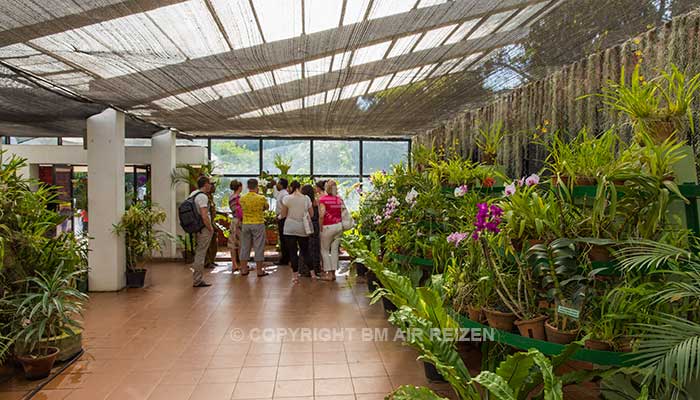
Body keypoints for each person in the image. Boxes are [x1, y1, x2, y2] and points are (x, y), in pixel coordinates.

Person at [280, 181, 313, 284]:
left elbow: (283, 214)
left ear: (291, 187)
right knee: (305, 251)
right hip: (302, 228)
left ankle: (295, 277)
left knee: (293, 252)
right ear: (300, 187)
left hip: (289, 228)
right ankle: (313, 273)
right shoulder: (306, 198)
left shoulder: (287, 199)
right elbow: (311, 214)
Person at [239, 178, 269, 277]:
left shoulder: (242, 198)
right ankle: (259, 271)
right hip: (258, 223)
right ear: (257, 186)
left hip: (246, 223)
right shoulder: (261, 198)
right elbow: (266, 207)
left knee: (245, 246)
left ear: (247, 187)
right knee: (259, 246)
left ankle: (243, 269)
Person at [319, 180, 345, 282]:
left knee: (324, 250)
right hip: (338, 226)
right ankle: (334, 273)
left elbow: (322, 215)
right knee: (334, 250)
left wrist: (320, 227)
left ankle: (329, 274)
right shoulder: (339, 199)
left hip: (328, 227)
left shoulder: (323, 199)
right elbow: (343, 212)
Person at [189, 176, 213, 287]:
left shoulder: (193, 194)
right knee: (201, 253)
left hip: (196, 228)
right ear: (205, 184)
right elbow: (204, 215)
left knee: (199, 252)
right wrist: (210, 228)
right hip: (203, 229)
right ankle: (197, 280)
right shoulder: (202, 197)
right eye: (210, 183)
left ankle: (197, 278)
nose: (211, 186)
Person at [301, 184, 322, 278]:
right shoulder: (316, 202)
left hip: (306, 225)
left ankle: (304, 269)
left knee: (304, 247)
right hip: (315, 225)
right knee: (315, 247)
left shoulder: (303, 202)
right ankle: (316, 268)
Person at [272, 178, 290, 266]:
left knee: (284, 239)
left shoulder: (284, 195)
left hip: (283, 218)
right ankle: (285, 258)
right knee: (283, 239)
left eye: (278, 183)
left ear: (281, 185)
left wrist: (279, 217)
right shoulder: (281, 193)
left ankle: (285, 259)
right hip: (281, 217)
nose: (277, 185)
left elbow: (285, 208)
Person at [228, 180, 243, 273]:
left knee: (233, 243)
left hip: (233, 220)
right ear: (239, 187)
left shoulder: (230, 197)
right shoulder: (239, 198)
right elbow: (241, 211)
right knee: (241, 243)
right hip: (240, 221)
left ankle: (234, 264)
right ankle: (241, 264)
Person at [205, 184, 219, 268]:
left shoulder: (211, 197)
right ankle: (207, 262)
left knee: (214, 243)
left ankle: (212, 260)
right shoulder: (205, 197)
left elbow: (213, 210)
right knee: (208, 244)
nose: (214, 188)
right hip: (208, 222)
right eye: (212, 186)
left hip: (212, 221)